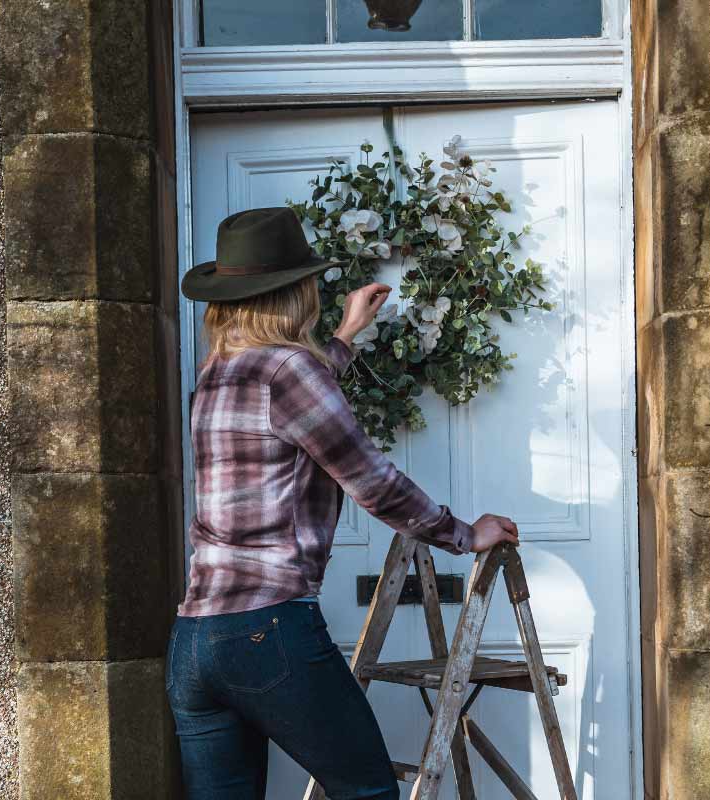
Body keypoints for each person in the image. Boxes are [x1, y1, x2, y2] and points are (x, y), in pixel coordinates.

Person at [168, 207, 520, 800]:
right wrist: (464, 534)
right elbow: (372, 481)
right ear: (294, 293)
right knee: (367, 791)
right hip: (267, 628)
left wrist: (342, 340)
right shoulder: (291, 370)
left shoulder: (216, 374)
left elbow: (286, 410)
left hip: (194, 641)